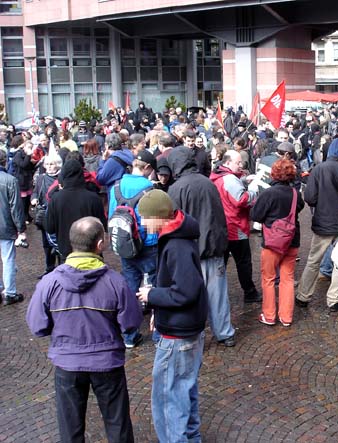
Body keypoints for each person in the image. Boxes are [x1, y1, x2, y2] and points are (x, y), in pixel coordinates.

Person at [26, 217, 142, 442]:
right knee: (117, 425)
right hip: (107, 364)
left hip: (68, 364)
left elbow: (38, 326)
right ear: (100, 245)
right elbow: (130, 323)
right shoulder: (115, 282)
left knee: (70, 429)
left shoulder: (49, 283)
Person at [136, 190, 208, 443]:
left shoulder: (176, 244)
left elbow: (185, 291)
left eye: (145, 218)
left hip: (178, 335)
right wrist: (159, 310)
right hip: (185, 328)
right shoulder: (177, 235)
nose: (143, 224)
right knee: (184, 393)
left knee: (169, 401)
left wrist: (152, 296)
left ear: (160, 218)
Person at [167, 147, 236, 347]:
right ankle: (224, 332)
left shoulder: (176, 188)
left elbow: (174, 222)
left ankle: (193, 334)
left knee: (190, 296)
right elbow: (218, 218)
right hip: (212, 248)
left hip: (190, 251)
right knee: (218, 295)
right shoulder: (208, 183)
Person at [296, 138, 338, 312]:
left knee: (313, 261)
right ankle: (334, 299)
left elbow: (309, 197)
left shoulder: (318, 169)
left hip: (322, 222)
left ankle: (303, 295)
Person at [108, 150, 157, 349]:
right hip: (147, 246)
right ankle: (157, 333)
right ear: (147, 168)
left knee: (129, 289)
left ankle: (129, 334)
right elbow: (152, 224)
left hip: (125, 245)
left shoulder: (116, 186)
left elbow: (111, 215)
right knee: (153, 286)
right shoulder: (148, 188)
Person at [251, 159, 305, 327]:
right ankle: (286, 317)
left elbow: (256, 215)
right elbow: (300, 207)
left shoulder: (269, 193)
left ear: (273, 174)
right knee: (287, 278)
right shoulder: (295, 193)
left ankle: (269, 315)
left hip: (272, 243)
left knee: (268, 278)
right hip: (292, 240)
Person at [210, 150, 261, 303]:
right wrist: (253, 189)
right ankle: (249, 292)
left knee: (221, 263)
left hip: (223, 226)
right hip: (235, 227)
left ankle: (216, 293)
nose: (241, 165)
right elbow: (242, 200)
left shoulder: (218, 176)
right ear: (227, 162)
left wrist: (244, 180)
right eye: (238, 163)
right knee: (243, 262)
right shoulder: (230, 180)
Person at [46, 160, 107, 258]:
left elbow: (50, 227)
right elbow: (102, 226)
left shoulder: (56, 199)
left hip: (67, 251)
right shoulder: (93, 198)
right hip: (91, 250)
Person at [0, 150, 26, 305]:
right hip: (5, 226)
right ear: (5, 162)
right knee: (8, 259)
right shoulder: (10, 180)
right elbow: (16, 208)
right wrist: (21, 229)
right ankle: (10, 293)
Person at [31, 154, 62, 277]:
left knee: (58, 242)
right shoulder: (41, 178)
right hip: (44, 214)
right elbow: (35, 192)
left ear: (57, 165)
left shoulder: (61, 178)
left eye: (52, 164)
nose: (49, 167)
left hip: (58, 214)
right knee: (46, 243)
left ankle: (60, 267)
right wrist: (33, 199)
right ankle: (49, 267)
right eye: (47, 164)